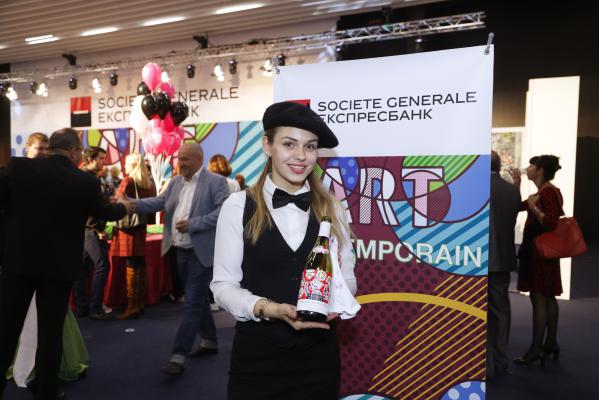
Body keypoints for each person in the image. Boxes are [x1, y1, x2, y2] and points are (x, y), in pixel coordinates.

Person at [211, 101, 357, 399]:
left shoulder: (334, 208)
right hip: (257, 361)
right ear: (267, 145)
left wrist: (336, 304)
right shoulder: (238, 206)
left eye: (310, 146)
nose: (301, 156)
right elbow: (223, 286)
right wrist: (268, 308)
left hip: (318, 361)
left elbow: (347, 278)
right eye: (289, 144)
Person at [0, 128, 127, 400]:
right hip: (58, 270)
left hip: (18, 263)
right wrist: (125, 207)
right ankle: (46, 391)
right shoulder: (85, 182)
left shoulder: (18, 168)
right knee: (50, 333)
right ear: (73, 151)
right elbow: (104, 212)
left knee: (6, 329)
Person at [126, 143, 229, 376]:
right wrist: (132, 204)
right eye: (179, 159)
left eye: (185, 159)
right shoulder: (175, 183)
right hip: (179, 250)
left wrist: (194, 224)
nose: (180, 163)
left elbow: (224, 211)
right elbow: (159, 202)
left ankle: (179, 355)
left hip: (201, 253)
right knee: (198, 299)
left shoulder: (216, 182)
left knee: (191, 302)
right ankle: (210, 340)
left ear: (199, 159)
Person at [510, 155, 563, 366]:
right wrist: (517, 184)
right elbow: (517, 206)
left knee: (539, 297)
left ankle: (536, 348)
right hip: (543, 251)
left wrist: (534, 208)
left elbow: (550, 222)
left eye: (532, 166)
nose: (528, 168)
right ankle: (550, 343)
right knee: (548, 296)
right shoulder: (545, 191)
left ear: (540, 170)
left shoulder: (547, 192)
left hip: (539, 252)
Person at [487, 151, 520, 379]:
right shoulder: (512, 190)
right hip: (503, 259)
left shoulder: (476, 189)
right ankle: (500, 361)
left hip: (475, 261)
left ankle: (483, 365)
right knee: (500, 312)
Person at [111, 153, 156, 320]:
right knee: (139, 264)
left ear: (133, 165)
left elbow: (118, 201)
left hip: (128, 228)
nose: (124, 166)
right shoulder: (147, 183)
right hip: (141, 227)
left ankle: (132, 306)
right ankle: (138, 304)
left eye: (127, 163)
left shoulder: (128, 181)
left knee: (131, 265)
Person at [73, 147, 114, 320]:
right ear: (91, 159)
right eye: (101, 158)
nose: (104, 162)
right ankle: (95, 308)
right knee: (102, 266)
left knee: (82, 269)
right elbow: (90, 208)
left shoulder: (81, 176)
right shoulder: (89, 179)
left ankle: (83, 307)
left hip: (83, 228)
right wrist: (98, 229)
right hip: (91, 229)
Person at [207, 154, 240, 311]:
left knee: (214, 265)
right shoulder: (234, 183)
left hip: (214, 228)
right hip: (233, 226)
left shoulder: (211, 184)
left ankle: (214, 298)